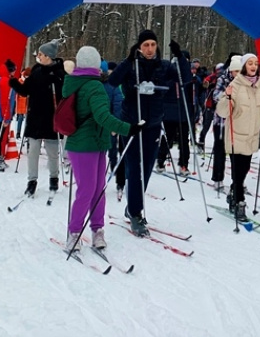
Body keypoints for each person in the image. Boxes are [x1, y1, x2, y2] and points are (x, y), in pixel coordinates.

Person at [107, 29, 190, 237]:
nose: (150, 49)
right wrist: (127, 60)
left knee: (146, 169)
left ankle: (132, 206)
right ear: (139, 47)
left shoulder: (164, 66)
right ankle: (136, 213)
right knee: (135, 168)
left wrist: (179, 57)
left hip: (153, 123)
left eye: (153, 45)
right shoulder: (132, 65)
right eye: (145, 45)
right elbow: (112, 81)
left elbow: (186, 79)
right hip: (133, 124)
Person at [62, 46, 142, 253]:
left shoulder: (73, 81)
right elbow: (102, 117)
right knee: (88, 190)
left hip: (94, 143)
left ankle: (97, 230)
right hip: (84, 144)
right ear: (96, 65)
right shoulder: (94, 86)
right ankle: (74, 233)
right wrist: (129, 128)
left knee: (97, 189)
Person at [215, 53, 260, 222]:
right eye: (250, 63)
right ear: (244, 66)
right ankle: (239, 203)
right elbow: (222, 112)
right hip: (236, 135)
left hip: (251, 137)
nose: (253, 66)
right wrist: (227, 97)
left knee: (244, 170)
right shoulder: (236, 85)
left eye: (255, 63)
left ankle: (234, 193)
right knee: (238, 173)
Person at [9, 39, 66, 196]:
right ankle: (31, 181)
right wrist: (13, 81)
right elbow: (25, 91)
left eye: (40, 54)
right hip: (35, 119)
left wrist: (59, 83)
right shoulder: (36, 71)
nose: (38, 56)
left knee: (52, 153)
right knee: (33, 152)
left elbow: (66, 94)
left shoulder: (60, 73)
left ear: (48, 56)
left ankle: (54, 178)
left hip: (51, 120)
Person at [157, 55, 195, 177]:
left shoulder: (187, 77)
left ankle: (183, 164)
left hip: (183, 112)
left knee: (183, 139)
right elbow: (162, 92)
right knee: (168, 138)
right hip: (170, 113)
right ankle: (161, 161)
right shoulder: (169, 76)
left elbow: (191, 97)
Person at [209, 55, 241, 191]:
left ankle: (238, 181)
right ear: (231, 70)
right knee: (220, 150)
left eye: (240, 71)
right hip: (221, 122)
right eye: (236, 71)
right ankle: (217, 178)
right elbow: (216, 96)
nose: (238, 74)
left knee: (238, 153)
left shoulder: (245, 81)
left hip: (238, 122)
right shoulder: (223, 79)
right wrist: (227, 95)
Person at [102, 61, 126, 200]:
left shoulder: (115, 85)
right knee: (99, 151)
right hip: (98, 125)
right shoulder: (96, 84)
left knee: (112, 149)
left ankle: (114, 167)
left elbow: (118, 105)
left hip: (110, 123)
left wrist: (114, 125)